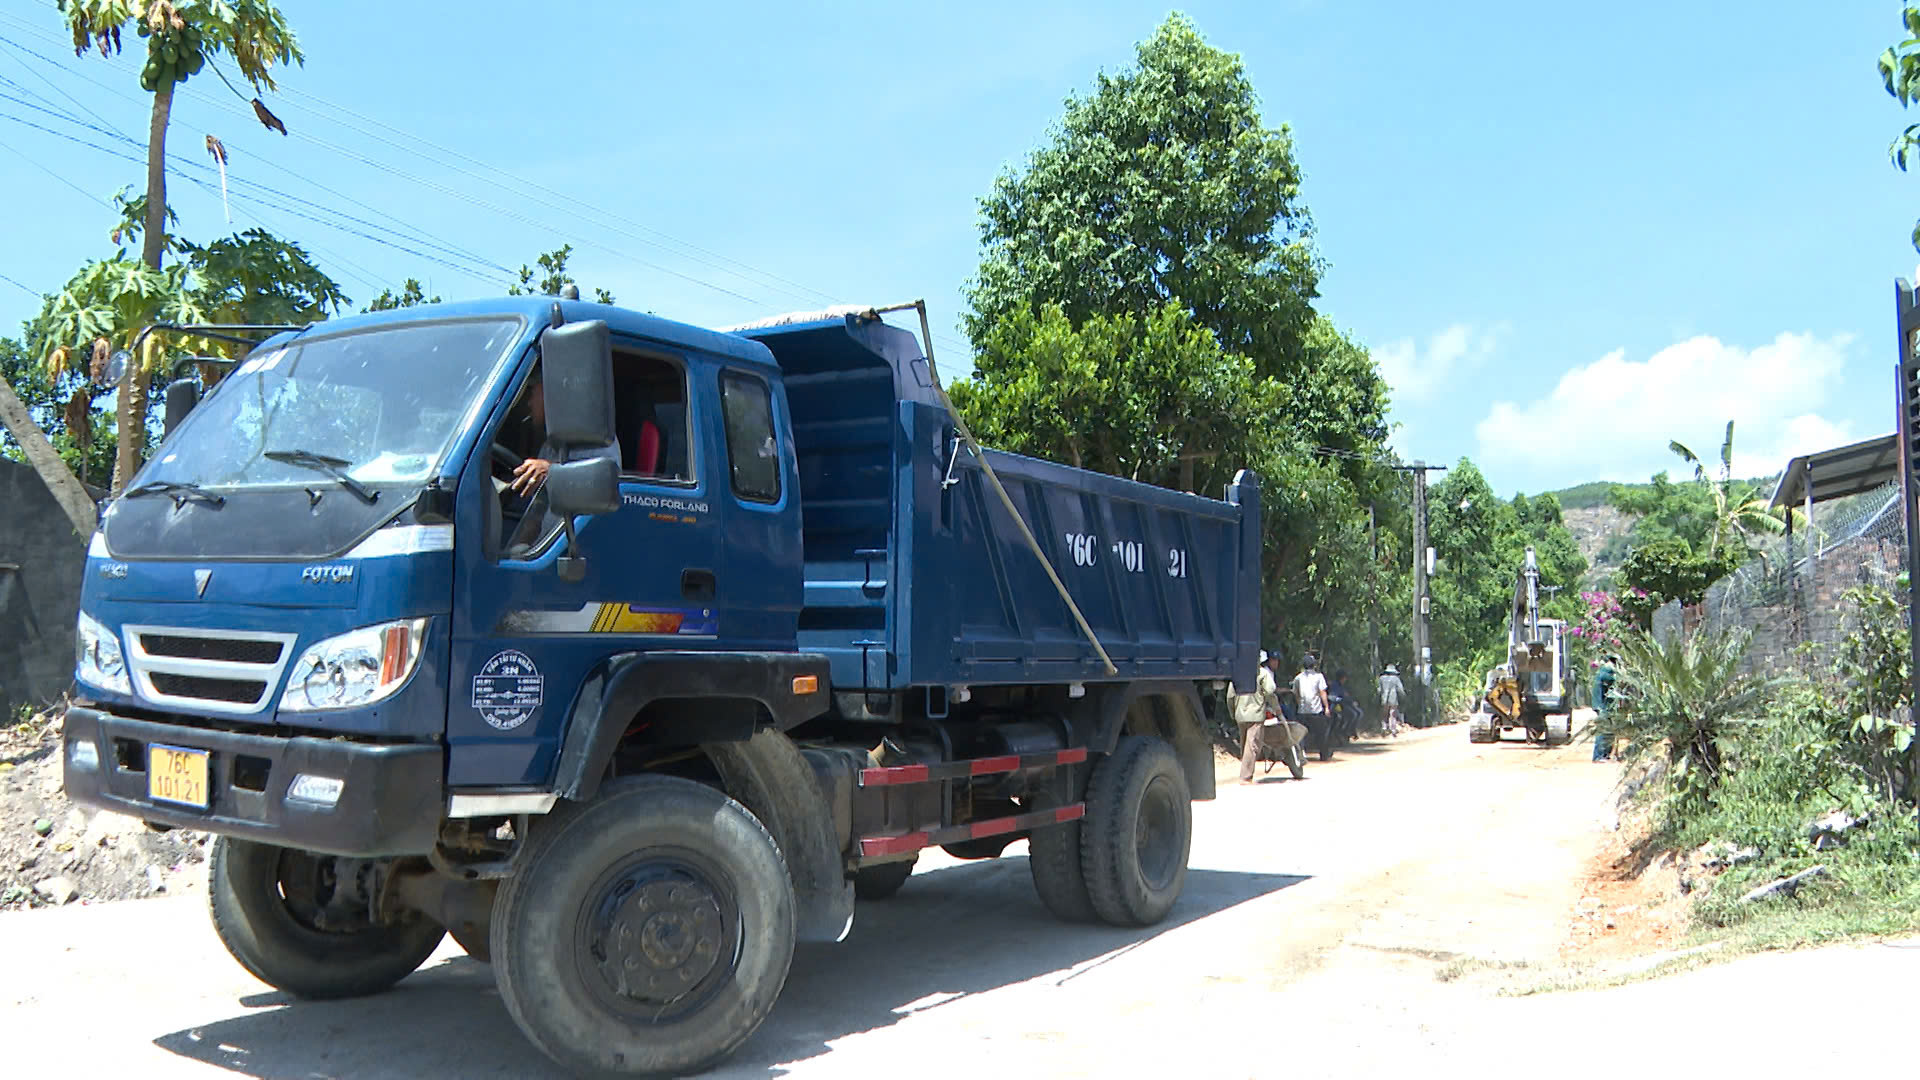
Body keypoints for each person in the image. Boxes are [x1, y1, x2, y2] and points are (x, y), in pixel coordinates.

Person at [1292, 653, 1330, 750]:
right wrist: (1326, 707)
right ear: (1314, 665)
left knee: (1301, 735)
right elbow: (1322, 692)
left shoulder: (1298, 678)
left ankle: (1301, 753)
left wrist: (1299, 704)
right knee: (1321, 733)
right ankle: (1324, 753)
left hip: (1302, 711)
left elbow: (1295, 693)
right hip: (1316, 711)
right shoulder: (1319, 677)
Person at [1591, 654, 1619, 762]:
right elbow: (1612, 679)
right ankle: (1598, 756)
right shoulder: (1606, 672)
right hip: (1602, 706)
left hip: (1605, 706)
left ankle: (1606, 754)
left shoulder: (1604, 672)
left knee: (1609, 731)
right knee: (1603, 730)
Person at [1378, 664, 1406, 737]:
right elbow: (1400, 689)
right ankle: (1393, 729)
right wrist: (1403, 696)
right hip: (1393, 698)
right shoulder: (1396, 679)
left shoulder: (1381, 678)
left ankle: (1384, 728)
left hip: (1384, 698)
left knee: (1384, 714)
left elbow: (1379, 690)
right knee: (1392, 714)